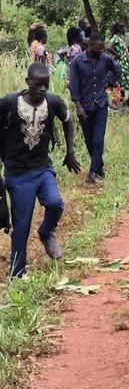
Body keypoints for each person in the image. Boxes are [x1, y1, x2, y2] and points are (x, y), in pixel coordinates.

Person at [1, 63, 83, 277]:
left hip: (42, 168)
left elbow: (67, 119)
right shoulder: (10, 103)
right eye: (38, 85)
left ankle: (46, 232)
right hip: (18, 174)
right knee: (22, 226)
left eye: (46, 85)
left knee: (55, 203)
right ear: (27, 82)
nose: (43, 89)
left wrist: (70, 152)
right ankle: (18, 273)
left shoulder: (52, 102)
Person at [68, 33, 120, 184]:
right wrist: (77, 106)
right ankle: (99, 167)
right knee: (89, 140)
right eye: (98, 48)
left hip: (100, 104)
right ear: (90, 45)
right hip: (84, 106)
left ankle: (92, 172)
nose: (101, 50)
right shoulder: (77, 61)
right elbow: (73, 85)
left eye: (102, 48)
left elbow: (117, 71)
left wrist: (109, 83)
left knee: (98, 139)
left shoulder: (105, 59)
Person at [106, 22, 129, 102]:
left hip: (125, 63)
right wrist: (118, 55)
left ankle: (121, 101)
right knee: (119, 81)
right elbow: (108, 47)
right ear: (118, 28)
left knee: (123, 82)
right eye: (123, 27)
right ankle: (116, 101)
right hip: (121, 63)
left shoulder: (120, 38)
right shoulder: (115, 37)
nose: (124, 29)